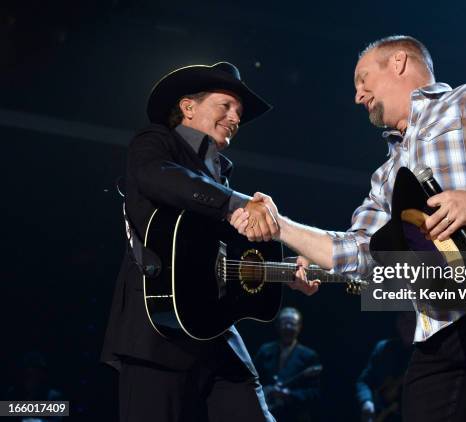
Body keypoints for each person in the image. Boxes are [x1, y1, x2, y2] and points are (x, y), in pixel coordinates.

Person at [231, 35, 466, 421]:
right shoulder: (385, 176)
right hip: (436, 326)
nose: (358, 96)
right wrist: (281, 228)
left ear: (398, 61)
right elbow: (358, 252)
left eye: (363, 80)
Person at [101, 62, 315, 422]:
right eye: (226, 106)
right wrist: (235, 203)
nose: (235, 118)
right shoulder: (156, 142)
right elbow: (159, 177)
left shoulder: (221, 175)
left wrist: (284, 271)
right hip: (157, 331)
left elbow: (221, 262)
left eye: (240, 113)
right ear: (188, 107)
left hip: (213, 331)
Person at [254, 307, 321, 422]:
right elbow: (253, 380)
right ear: (278, 325)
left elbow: (315, 392)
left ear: (299, 327)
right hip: (266, 414)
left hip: (295, 416)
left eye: (292, 324)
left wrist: (290, 395)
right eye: (285, 323)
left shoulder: (308, 355)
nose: (288, 327)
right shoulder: (265, 350)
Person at [356, 313, 414, 422]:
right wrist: (366, 401)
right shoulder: (383, 348)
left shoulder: (428, 354)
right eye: (403, 318)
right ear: (397, 322)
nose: (408, 324)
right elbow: (364, 381)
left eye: (413, 319)